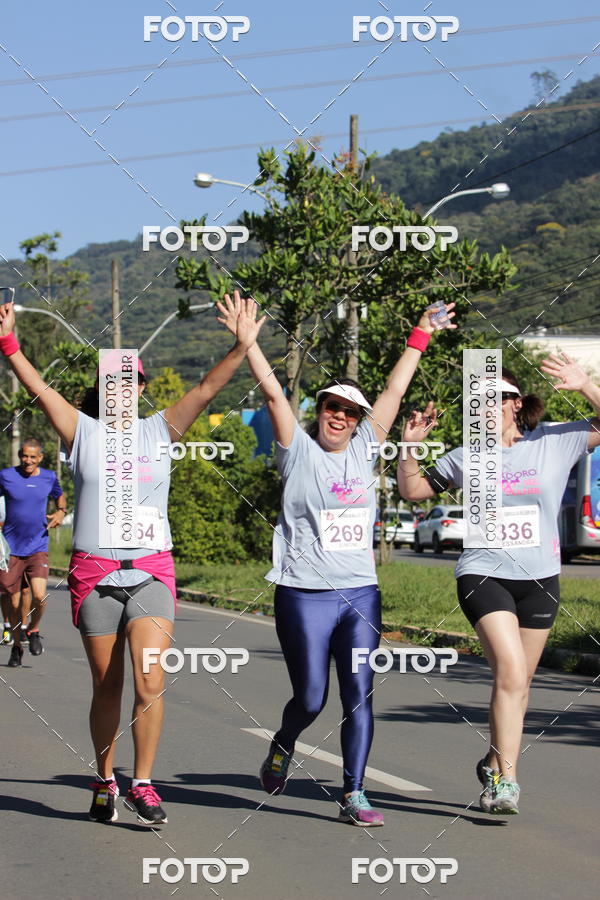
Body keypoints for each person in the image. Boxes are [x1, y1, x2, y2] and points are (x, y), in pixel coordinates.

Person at [0, 299, 263, 825]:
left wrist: (242, 344)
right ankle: (104, 779)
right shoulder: (82, 431)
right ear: (104, 392)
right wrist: (9, 343)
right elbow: (38, 389)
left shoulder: (160, 430)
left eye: (132, 383)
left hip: (150, 573)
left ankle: (141, 783)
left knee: (149, 680)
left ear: (142, 389)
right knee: (108, 686)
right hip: (95, 575)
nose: (124, 391)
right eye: (114, 384)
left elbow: (208, 388)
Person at [217, 290, 455, 827]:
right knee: (310, 697)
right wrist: (249, 344)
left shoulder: (369, 446)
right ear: (319, 411)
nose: (341, 418)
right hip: (304, 594)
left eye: (350, 411)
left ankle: (354, 792)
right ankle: (284, 740)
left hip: (360, 594)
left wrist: (422, 332)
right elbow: (276, 395)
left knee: (358, 695)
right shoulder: (296, 450)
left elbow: (396, 387)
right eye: (332, 408)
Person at [397, 356, 600, 815]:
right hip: (483, 573)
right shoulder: (466, 457)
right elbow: (412, 492)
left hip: (541, 577)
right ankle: (506, 782)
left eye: (497, 398)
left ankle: (493, 760)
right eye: (479, 400)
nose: (487, 405)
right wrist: (409, 447)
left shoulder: (555, 441)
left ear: (516, 405)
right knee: (510, 672)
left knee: (520, 683)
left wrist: (586, 385)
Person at [0, 439, 66, 664]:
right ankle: (17, 647)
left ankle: (33, 630)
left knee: (39, 595)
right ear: (20, 455)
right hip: (11, 549)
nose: (27, 461)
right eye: (24, 456)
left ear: (40, 458)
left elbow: (59, 496)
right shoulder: (6, 475)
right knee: (14, 600)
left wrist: (61, 511)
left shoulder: (48, 477)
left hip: (38, 545)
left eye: (32, 457)